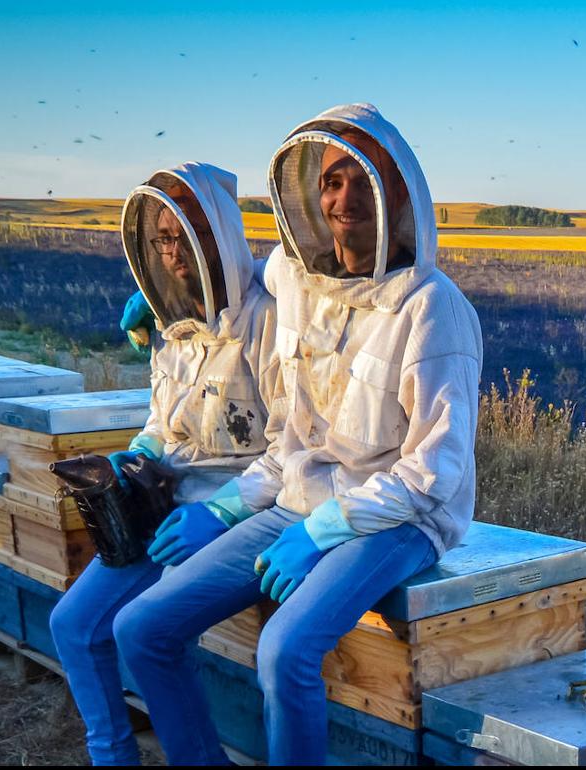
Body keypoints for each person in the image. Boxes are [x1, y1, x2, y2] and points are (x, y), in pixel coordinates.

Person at [113, 103, 484, 765]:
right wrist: (226, 508)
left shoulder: (431, 309)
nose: (343, 198)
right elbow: (287, 427)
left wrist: (324, 530)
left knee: (285, 650)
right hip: (297, 502)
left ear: (397, 190)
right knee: (140, 627)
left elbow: (436, 471)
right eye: (330, 182)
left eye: (359, 180)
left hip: (399, 520)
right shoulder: (295, 283)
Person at [48, 161, 280, 766]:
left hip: (241, 507)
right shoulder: (168, 321)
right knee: (74, 625)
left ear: (222, 233)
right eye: (164, 238)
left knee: (148, 634)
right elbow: (162, 418)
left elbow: (295, 447)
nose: (176, 251)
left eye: (191, 232)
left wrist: (226, 512)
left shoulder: (269, 318)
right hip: (167, 503)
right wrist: (142, 455)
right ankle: (113, 758)